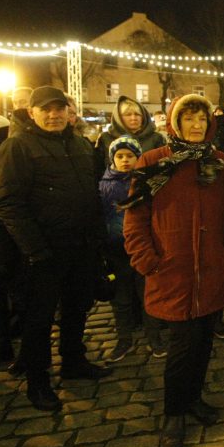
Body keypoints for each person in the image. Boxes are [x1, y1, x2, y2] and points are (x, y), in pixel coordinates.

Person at [122, 94, 224, 447]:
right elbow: (135, 217)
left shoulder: (221, 164)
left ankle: (194, 399)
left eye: (202, 119)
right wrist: (147, 260)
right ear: (175, 123)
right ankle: (174, 412)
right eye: (188, 118)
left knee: (204, 340)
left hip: (212, 269)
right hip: (172, 270)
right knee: (181, 346)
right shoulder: (155, 162)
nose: (196, 125)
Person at [0, 86, 112, 412]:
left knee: (77, 308)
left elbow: (91, 192)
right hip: (43, 253)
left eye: (59, 108)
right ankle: (38, 382)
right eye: (46, 109)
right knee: (39, 319)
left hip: (80, 246)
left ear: (68, 110)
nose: (53, 115)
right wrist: (34, 250)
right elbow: (9, 203)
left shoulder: (78, 144)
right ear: (32, 112)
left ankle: (74, 360)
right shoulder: (17, 146)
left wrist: (96, 238)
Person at [99, 136, 165, 362]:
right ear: (112, 159)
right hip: (117, 252)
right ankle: (124, 339)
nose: (125, 160)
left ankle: (154, 337)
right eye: (120, 156)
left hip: (143, 247)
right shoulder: (104, 186)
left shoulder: (146, 182)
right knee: (122, 299)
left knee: (147, 295)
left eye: (130, 156)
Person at [94, 95, 167, 177]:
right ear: (119, 117)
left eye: (137, 114)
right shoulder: (105, 138)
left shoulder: (156, 138)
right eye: (128, 114)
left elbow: (164, 168)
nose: (133, 118)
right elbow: (98, 169)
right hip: (114, 187)